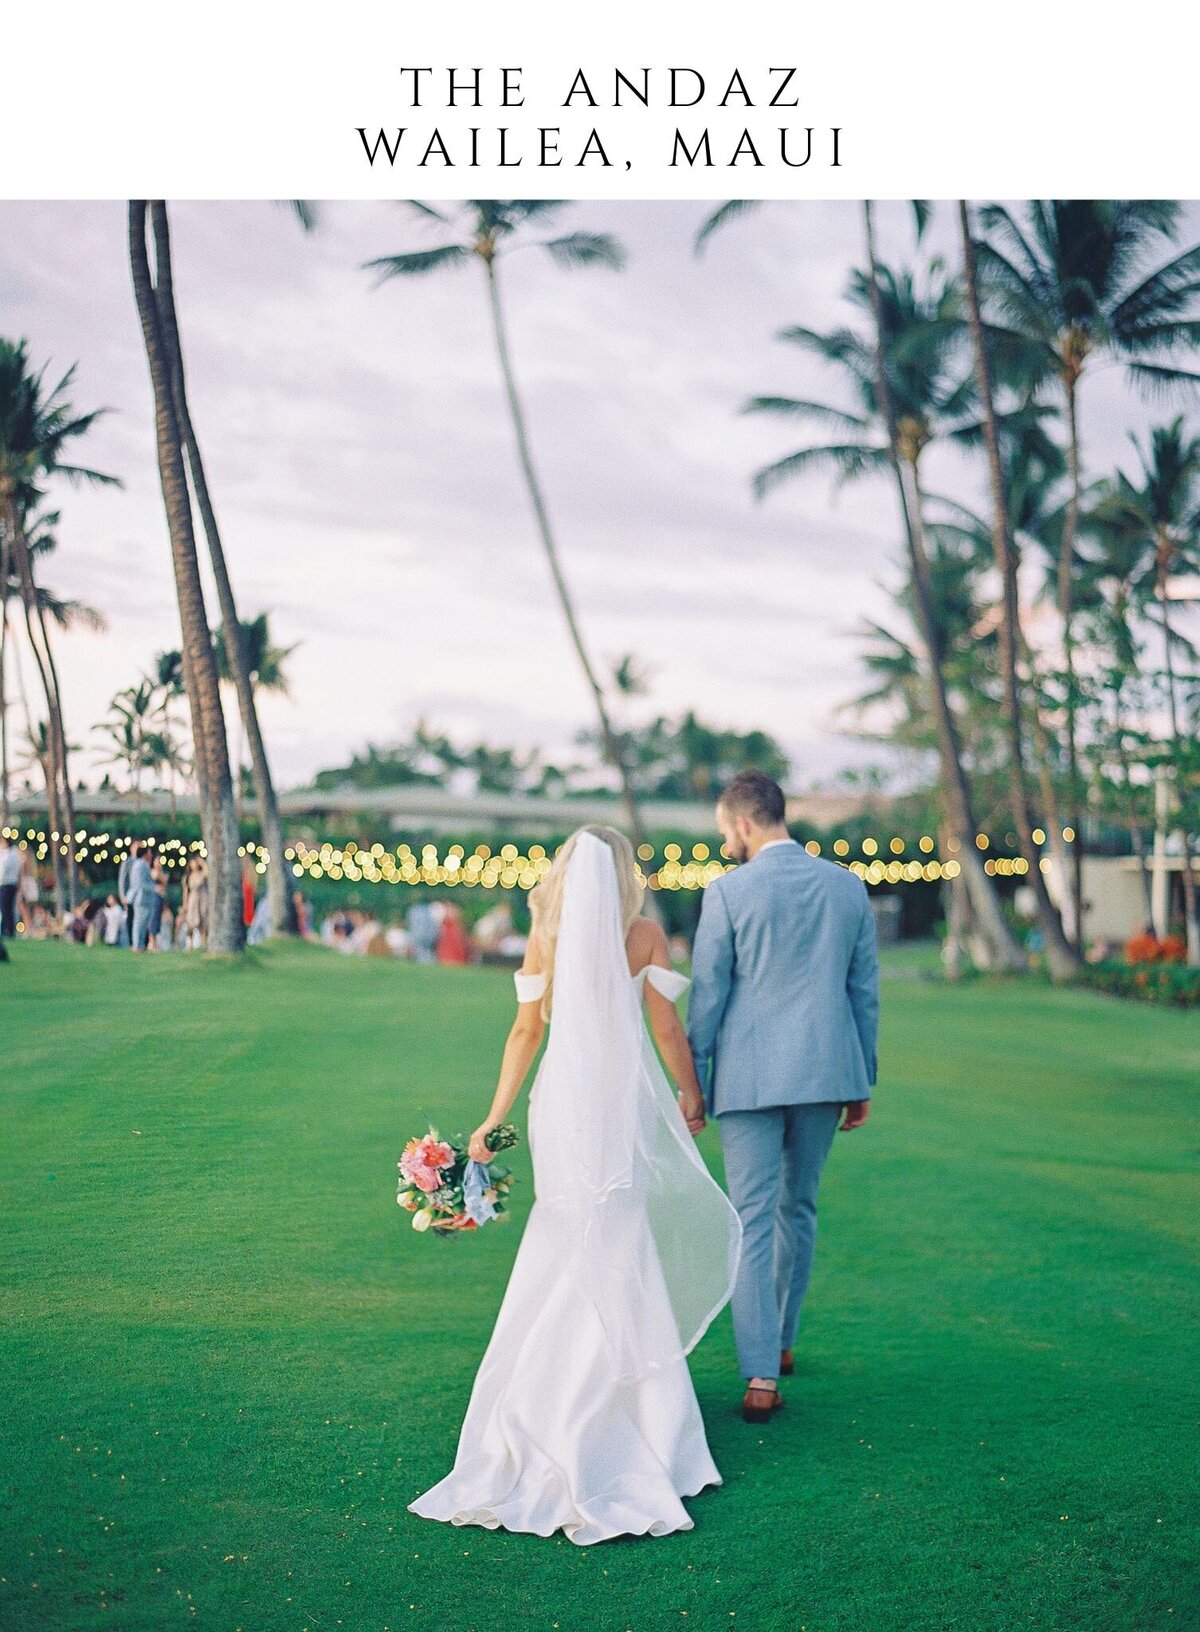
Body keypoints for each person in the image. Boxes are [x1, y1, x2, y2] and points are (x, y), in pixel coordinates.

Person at [408, 826, 742, 1545]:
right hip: (617, 1101)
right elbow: (665, 1028)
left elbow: (525, 1032)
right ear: (622, 875)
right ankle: (640, 1416)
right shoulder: (646, 933)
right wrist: (690, 1095)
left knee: (564, 1231)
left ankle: (549, 1399)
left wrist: (494, 1118)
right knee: (617, 1231)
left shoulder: (547, 936)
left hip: (560, 1103)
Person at [687, 769, 880, 1425]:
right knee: (799, 1208)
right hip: (828, 1073)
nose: (725, 844)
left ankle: (762, 1372)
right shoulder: (847, 887)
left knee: (753, 1219)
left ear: (743, 822)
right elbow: (864, 995)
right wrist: (863, 1078)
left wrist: (695, 1079)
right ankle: (783, 1341)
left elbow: (707, 996)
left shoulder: (728, 893)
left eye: (724, 832)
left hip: (749, 1078)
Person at [128, 843, 159, 952]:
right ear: (145, 853)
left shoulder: (141, 864)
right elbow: (140, 883)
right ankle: (137, 946)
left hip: (144, 898)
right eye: (149, 852)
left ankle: (140, 945)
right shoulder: (140, 865)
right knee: (139, 923)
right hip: (141, 898)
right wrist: (155, 888)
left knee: (142, 923)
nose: (151, 854)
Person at [181, 856, 209, 950]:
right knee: (191, 921)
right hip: (193, 900)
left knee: (203, 920)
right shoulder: (187, 877)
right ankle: (190, 944)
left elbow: (207, 873)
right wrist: (185, 904)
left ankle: (203, 942)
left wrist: (202, 862)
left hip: (203, 899)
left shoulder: (202, 874)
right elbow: (185, 891)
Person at [0, 835, 21, 939]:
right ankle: (9, 930)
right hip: (12, 883)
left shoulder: (7, 854)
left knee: (5, 908)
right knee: (9, 908)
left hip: (5, 883)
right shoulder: (15, 853)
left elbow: (3, 869)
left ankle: (6, 930)